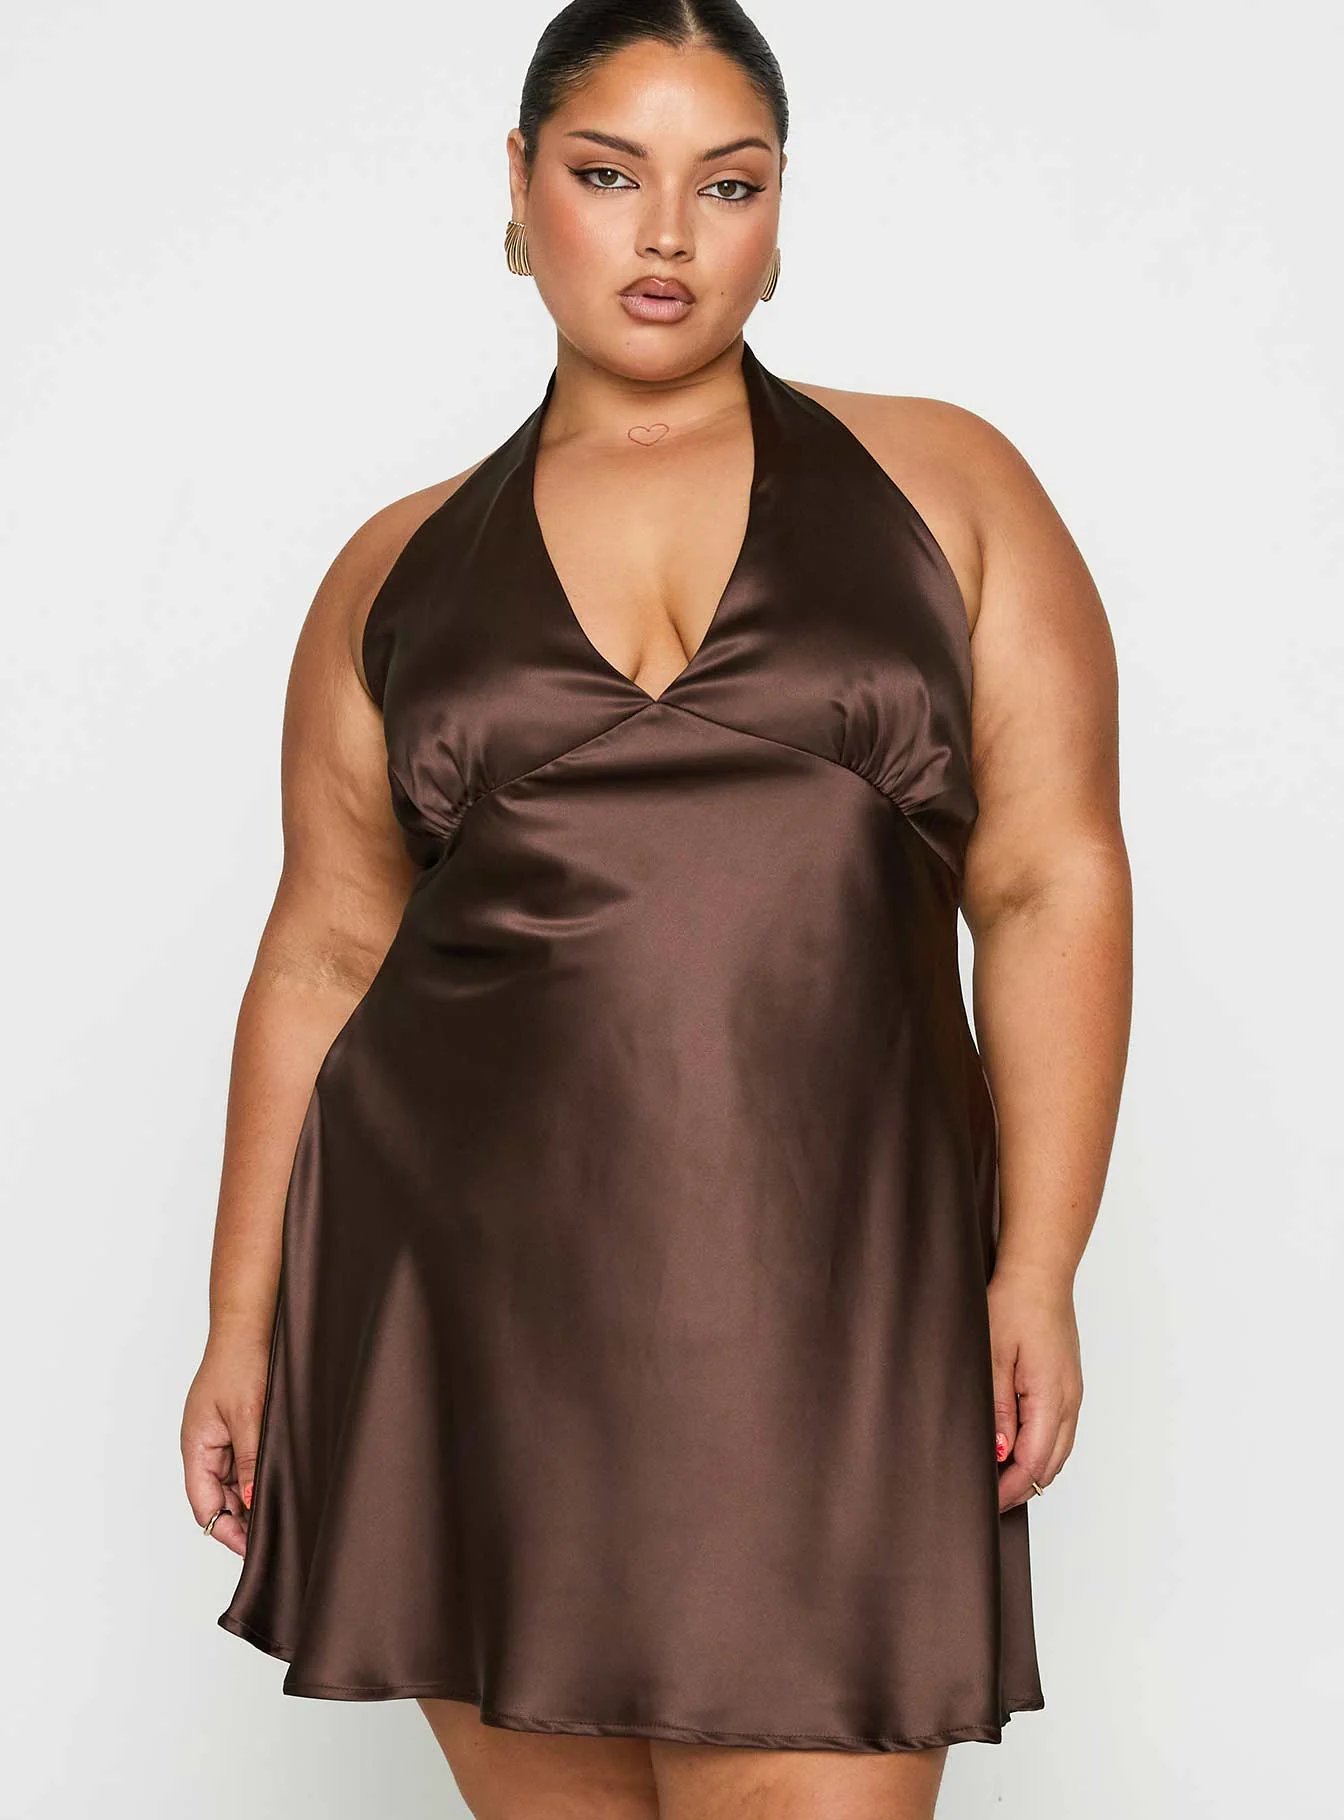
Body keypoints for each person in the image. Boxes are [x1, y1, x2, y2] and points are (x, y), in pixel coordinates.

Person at [180, 2, 1132, 1814]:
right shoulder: (393, 564)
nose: (671, 234)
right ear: (521, 188)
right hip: (473, 1306)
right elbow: (324, 953)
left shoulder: (947, 484)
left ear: (782, 212)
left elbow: (1047, 877)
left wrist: (1038, 1266)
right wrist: (242, 1325)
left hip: (836, 1304)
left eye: (731, 184)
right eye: (611, 175)